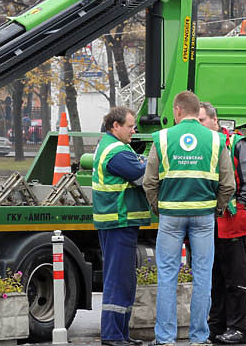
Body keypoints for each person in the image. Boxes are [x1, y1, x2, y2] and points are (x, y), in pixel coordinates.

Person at [144, 91, 235, 346]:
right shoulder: (217, 140)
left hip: (170, 216)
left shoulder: (162, 138)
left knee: (167, 276)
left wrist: (159, 208)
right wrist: (216, 209)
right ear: (198, 112)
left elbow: (149, 182)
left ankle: (164, 339)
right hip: (204, 216)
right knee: (203, 276)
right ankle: (199, 337)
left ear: (177, 111)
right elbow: (228, 184)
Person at [198, 102, 246, 345]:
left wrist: (238, 205)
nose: (199, 125)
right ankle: (217, 325)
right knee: (215, 277)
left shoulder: (237, 144)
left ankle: (240, 327)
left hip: (233, 220)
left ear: (215, 121)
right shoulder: (203, 146)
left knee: (235, 277)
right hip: (210, 220)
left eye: (202, 120)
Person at [92, 106, 151, 346]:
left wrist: (142, 160)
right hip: (118, 220)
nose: (134, 130)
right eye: (130, 125)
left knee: (124, 279)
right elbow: (140, 175)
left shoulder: (114, 146)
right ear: (115, 126)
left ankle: (121, 334)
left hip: (118, 221)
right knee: (118, 279)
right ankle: (113, 335)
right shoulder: (116, 150)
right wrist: (151, 161)